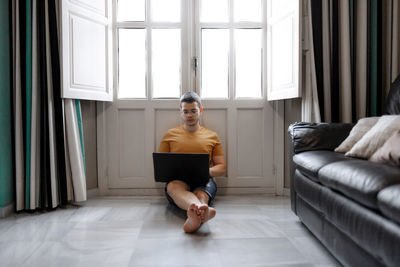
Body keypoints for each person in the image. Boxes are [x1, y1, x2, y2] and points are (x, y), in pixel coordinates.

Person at [158, 92, 226, 233]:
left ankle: (194, 216)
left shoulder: (212, 136)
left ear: (200, 111)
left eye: (193, 111)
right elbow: (161, 165)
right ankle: (201, 210)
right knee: (173, 186)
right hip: (178, 181)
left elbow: (221, 168)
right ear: (181, 112)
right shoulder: (169, 135)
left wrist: (205, 171)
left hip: (204, 179)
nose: (189, 115)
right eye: (186, 111)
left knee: (201, 192)